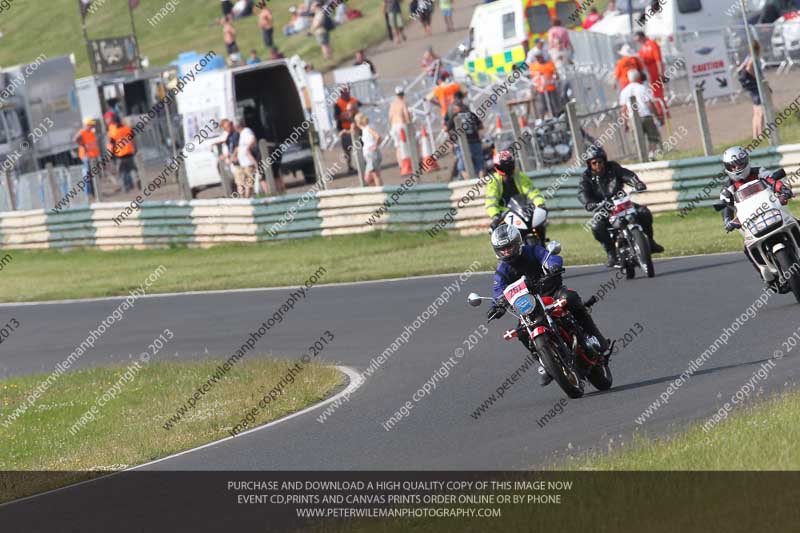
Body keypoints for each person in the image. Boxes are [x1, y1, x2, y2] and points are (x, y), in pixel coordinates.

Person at [486, 224, 610, 386]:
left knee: (570, 297)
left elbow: (549, 256)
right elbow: (498, 290)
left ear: (517, 243)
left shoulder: (532, 250)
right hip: (530, 306)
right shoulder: (502, 270)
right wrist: (497, 305)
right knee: (522, 332)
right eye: (502, 249)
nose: (506, 251)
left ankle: (595, 337)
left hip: (552, 293)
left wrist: (553, 265)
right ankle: (544, 363)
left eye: (509, 247)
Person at [579, 145, 663, 267]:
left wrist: (637, 183)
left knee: (644, 212)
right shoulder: (586, 177)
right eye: (594, 163)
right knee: (596, 226)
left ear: (604, 160)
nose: (598, 165)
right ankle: (611, 253)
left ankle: (651, 242)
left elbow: (626, 174)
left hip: (621, 201)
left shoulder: (612, 167)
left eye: (600, 161)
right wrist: (589, 203)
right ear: (589, 164)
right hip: (603, 208)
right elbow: (582, 192)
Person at [718, 146, 793, 283]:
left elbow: (772, 181)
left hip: (772, 211)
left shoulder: (759, 172)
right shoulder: (728, 187)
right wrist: (727, 220)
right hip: (750, 221)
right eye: (732, 166)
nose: (737, 168)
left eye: (740, 164)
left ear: (747, 161)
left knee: (796, 222)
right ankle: (765, 276)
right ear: (727, 167)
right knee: (747, 248)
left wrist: (783, 189)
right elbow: (725, 205)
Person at [486, 150, 546, 230]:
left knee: (539, 226)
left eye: (509, 166)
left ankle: (541, 241)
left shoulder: (520, 176)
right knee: (497, 235)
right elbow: (491, 203)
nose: (507, 170)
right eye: (504, 167)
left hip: (522, 212)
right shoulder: (494, 181)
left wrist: (540, 205)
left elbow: (533, 193)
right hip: (504, 216)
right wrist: (495, 216)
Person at [619, 70, 662, 159]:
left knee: (637, 139)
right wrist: (657, 115)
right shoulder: (643, 88)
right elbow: (650, 103)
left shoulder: (624, 91)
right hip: (646, 115)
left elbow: (624, 109)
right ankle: (652, 154)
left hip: (633, 118)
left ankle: (641, 156)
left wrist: (625, 123)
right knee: (653, 136)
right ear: (638, 77)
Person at [445, 91, 484, 179]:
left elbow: (447, 129)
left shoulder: (455, 116)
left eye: (455, 107)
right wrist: (480, 138)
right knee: (480, 164)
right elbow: (480, 127)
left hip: (462, 144)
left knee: (462, 166)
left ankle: (468, 183)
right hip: (475, 142)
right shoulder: (471, 114)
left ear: (458, 107)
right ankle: (481, 183)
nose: (454, 109)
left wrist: (450, 142)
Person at [635, 31, 665, 121]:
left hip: (655, 71)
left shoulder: (652, 44)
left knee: (657, 93)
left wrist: (661, 72)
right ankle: (658, 112)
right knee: (651, 94)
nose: (638, 42)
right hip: (649, 73)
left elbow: (658, 59)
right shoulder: (643, 48)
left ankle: (662, 113)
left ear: (643, 37)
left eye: (639, 39)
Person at [737, 40, 764, 140]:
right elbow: (749, 68)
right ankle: (761, 134)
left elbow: (741, 68)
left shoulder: (748, 57)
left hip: (750, 87)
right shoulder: (754, 58)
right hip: (755, 86)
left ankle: (755, 135)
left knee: (756, 112)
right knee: (761, 111)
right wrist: (757, 78)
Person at [106, 113, 138, 193]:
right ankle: (135, 182)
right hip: (129, 152)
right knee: (131, 169)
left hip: (120, 154)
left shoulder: (113, 131)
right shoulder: (127, 128)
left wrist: (110, 154)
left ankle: (125, 188)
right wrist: (135, 148)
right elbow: (133, 140)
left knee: (122, 172)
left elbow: (111, 143)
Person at [334, 85, 360, 174]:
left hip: (355, 127)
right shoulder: (338, 104)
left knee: (360, 145)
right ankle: (350, 166)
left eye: (347, 90)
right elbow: (336, 117)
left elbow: (360, 105)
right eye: (344, 91)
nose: (346, 92)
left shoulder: (353, 100)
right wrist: (347, 116)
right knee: (347, 150)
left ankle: (362, 163)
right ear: (341, 92)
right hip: (345, 129)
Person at [528, 48, 560, 118]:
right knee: (543, 106)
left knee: (554, 105)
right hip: (541, 90)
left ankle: (556, 117)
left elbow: (556, 75)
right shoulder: (533, 66)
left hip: (551, 88)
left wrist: (554, 77)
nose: (538, 59)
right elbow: (531, 78)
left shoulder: (549, 64)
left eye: (539, 57)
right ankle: (546, 119)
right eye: (536, 57)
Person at [73, 119, 100, 200]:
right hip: (87, 156)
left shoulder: (91, 133)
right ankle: (90, 193)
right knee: (88, 176)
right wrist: (82, 144)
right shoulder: (82, 132)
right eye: (90, 125)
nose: (92, 126)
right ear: (87, 125)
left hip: (93, 156)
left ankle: (95, 192)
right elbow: (75, 139)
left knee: (93, 175)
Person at [388, 86, 412, 173]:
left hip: (394, 126)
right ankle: (408, 164)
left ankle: (401, 165)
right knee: (405, 145)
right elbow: (406, 114)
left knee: (398, 146)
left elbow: (390, 116)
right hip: (402, 125)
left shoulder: (392, 104)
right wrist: (409, 123)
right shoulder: (403, 103)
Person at [355, 113, 383, 186]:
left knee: (371, 176)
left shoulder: (368, 128)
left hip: (372, 155)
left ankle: (379, 191)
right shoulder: (364, 130)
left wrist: (375, 146)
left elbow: (378, 136)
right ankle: (377, 191)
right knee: (372, 176)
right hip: (369, 156)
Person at [233, 118, 258, 198]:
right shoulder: (242, 133)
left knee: (249, 184)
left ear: (237, 126)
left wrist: (247, 149)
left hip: (248, 163)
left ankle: (249, 200)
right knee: (245, 184)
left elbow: (252, 139)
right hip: (244, 164)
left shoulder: (246, 131)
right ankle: (246, 200)